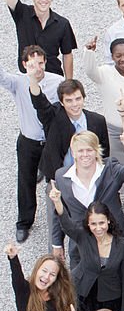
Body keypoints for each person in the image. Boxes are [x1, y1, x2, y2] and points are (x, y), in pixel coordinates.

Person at [30, 78, 110, 249]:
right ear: (61, 102)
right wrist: (32, 80)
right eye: (69, 100)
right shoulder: (53, 118)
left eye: (78, 99)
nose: (74, 104)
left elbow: (105, 152)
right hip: (60, 178)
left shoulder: (97, 121)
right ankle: (57, 249)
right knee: (56, 215)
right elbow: (40, 104)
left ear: (83, 98)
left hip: (89, 177)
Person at [2, 46, 63, 242]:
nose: (36, 68)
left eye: (40, 63)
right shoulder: (18, 83)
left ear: (45, 62)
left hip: (50, 141)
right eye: (31, 64)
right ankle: (24, 222)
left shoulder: (57, 82)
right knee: (26, 180)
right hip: (28, 141)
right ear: (24, 65)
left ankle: (61, 218)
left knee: (56, 180)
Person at [50, 129, 124, 256]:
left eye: (89, 150)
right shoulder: (61, 176)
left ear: (96, 151)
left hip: (113, 238)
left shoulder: (110, 169)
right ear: (73, 153)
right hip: (80, 243)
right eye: (80, 151)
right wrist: (57, 243)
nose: (85, 154)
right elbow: (60, 211)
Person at [81, 37, 124, 203]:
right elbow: (90, 71)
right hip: (115, 132)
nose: (123, 59)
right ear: (112, 56)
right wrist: (89, 52)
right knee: (116, 168)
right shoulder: (105, 73)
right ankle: (115, 203)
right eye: (118, 55)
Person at [52, 200, 124, 311]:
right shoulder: (83, 236)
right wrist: (57, 202)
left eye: (101, 223)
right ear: (88, 224)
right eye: (93, 224)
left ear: (108, 221)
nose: (98, 228)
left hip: (111, 297)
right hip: (84, 293)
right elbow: (66, 224)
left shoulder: (122, 245)